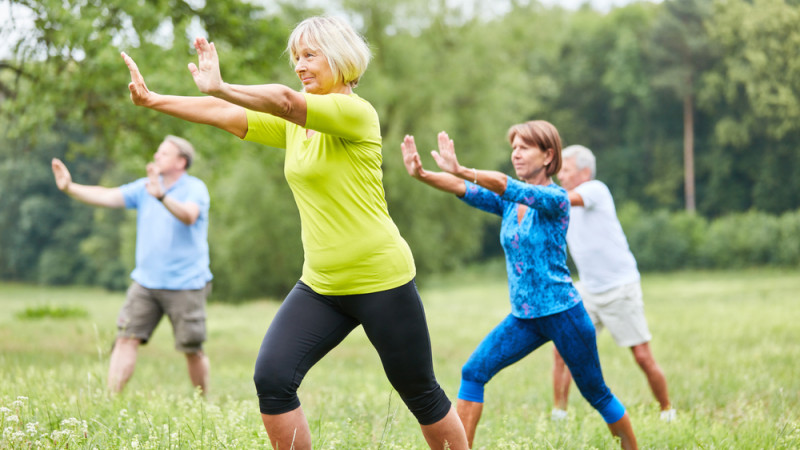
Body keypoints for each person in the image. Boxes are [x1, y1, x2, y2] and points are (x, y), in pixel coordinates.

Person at [120, 15, 468, 450]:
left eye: (310, 55)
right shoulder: (296, 125)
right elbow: (226, 114)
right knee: (272, 378)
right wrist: (155, 100)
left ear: (341, 59)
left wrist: (222, 84)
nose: (300, 66)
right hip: (321, 284)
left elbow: (283, 100)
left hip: (381, 279)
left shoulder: (355, 113)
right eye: (296, 58)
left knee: (419, 391)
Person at [401, 124, 639, 449]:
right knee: (473, 372)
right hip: (524, 317)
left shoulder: (555, 199)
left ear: (548, 155)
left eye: (525, 147)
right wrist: (423, 175)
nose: (516, 153)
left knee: (596, 393)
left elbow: (502, 184)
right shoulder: (509, 204)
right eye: (514, 147)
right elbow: (463, 188)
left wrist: (463, 168)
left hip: (563, 313)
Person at [51, 135, 213, 394]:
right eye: (157, 152)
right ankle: (110, 400)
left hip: (186, 284)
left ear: (181, 162)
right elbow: (107, 196)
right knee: (126, 338)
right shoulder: (144, 188)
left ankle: (203, 403)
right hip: (146, 283)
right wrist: (70, 187)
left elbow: (188, 216)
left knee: (192, 349)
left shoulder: (195, 188)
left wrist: (162, 197)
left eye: (164, 153)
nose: (157, 156)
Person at [552, 144, 675, 422]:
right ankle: (558, 415)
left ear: (584, 171)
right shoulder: (561, 200)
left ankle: (667, 410)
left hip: (620, 287)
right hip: (588, 289)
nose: (560, 175)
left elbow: (561, 199)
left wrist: (531, 191)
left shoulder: (596, 189)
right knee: (562, 351)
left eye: (566, 169)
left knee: (642, 356)